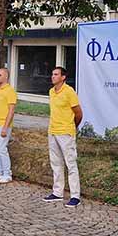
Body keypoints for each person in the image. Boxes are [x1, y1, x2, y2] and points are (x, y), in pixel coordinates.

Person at [42, 66, 83, 208]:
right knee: (56, 163)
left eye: (56, 74)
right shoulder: (51, 92)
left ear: (63, 77)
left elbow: (78, 113)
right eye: (52, 74)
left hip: (65, 132)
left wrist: (72, 127)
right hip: (52, 131)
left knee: (70, 163)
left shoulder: (69, 92)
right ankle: (57, 192)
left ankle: (75, 195)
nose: (52, 76)